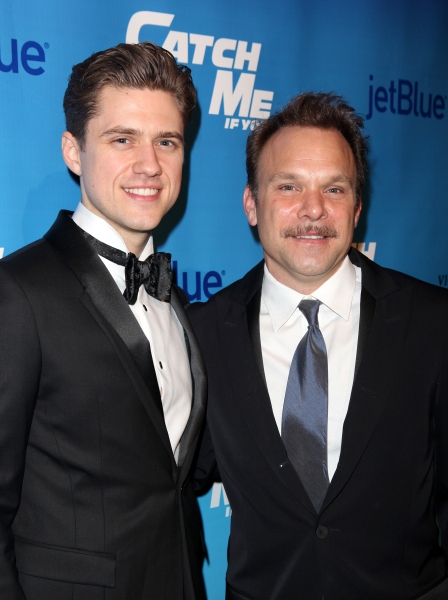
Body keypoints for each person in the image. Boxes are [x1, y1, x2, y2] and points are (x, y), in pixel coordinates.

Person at [190, 92, 448, 600]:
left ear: (356, 208)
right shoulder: (202, 333)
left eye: (333, 188)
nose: (313, 209)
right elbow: (169, 486)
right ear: (251, 204)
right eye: (288, 186)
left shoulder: (433, 323)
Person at [0, 42, 206, 600]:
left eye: (167, 141)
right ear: (73, 150)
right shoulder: (17, 292)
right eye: (122, 140)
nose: (149, 165)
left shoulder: (175, 300)